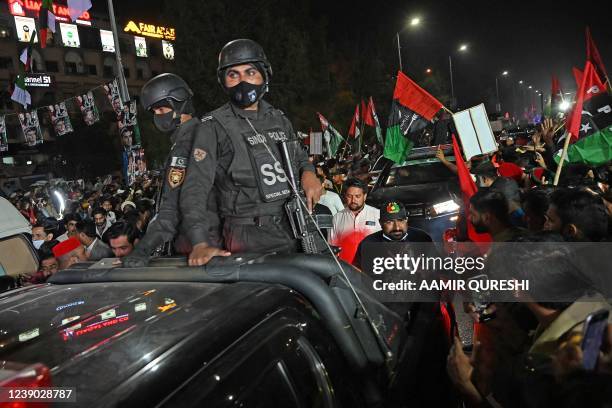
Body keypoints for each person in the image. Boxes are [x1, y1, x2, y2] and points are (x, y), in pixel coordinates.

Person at [179, 39, 320, 265]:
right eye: (233, 74)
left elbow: (299, 155)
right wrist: (199, 242)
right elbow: (195, 188)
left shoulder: (278, 118)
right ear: (223, 81)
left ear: (264, 75)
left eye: (250, 72)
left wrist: (309, 172)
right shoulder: (212, 126)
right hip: (249, 235)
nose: (242, 81)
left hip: (293, 224)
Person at [121, 73, 223, 268]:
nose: (158, 117)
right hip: (205, 239)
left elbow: (171, 210)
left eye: (161, 109)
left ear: (180, 104)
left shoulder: (187, 143)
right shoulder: (192, 137)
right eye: (154, 111)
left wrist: (144, 248)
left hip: (199, 245)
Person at [353, 201, 433, 269]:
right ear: (380, 223)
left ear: (406, 220)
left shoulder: (422, 238)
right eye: (389, 222)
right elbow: (356, 276)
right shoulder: (368, 244)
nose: (397, 227)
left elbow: (437, 271)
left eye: (400, 220)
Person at [329, 178, 380, 263]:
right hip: (346, 269)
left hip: (372, 266)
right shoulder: (337, 218)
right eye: (349, 196)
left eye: (357, 196)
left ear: (365, 196)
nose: (353, 200)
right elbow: (332, 247)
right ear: (345, 196)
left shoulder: (377, 215)